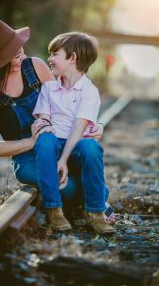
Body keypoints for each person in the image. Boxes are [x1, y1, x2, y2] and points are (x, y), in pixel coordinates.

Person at [0, 19, 114, 234]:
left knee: (88, 156)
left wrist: (97, 125)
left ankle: (92, 206)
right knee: (68, 187)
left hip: (57, 142)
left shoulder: (35, 67)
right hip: (26, 156)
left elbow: (66, 101)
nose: (23, 58)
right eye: (16, 56)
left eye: (22, 51)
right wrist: (31, 141)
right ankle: (84, 203)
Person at [33, 32, 115, 235]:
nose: (49, 59)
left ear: (73, 58)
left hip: (75, 144)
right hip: (53, 142)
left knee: (91, 147)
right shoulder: (49, 89)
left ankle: (95, 212)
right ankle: (54, 210)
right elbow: (44, 120)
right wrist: (43, 125)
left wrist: (63, 159)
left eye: (55, 54)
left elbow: (79, 129)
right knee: (44, 140)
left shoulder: (89, 91)